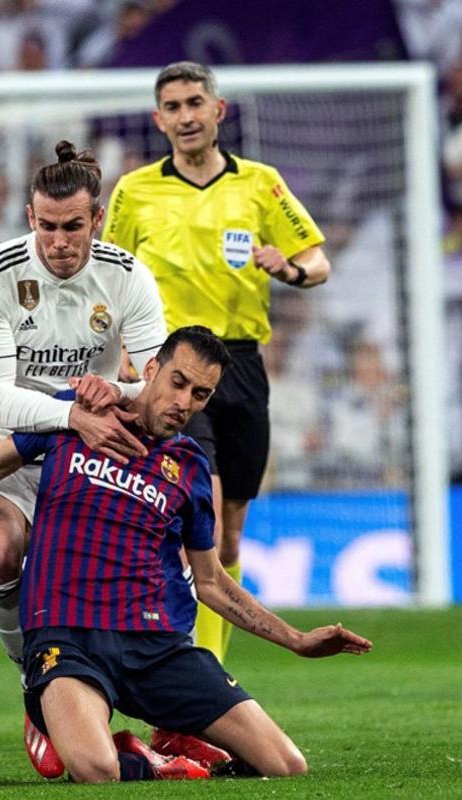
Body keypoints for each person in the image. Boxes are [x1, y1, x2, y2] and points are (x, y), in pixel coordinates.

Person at [0, 326, 372, 783]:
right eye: (178, 382)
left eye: (201, 394)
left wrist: (297, 640)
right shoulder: (75, 416)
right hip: (69, 639)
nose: (185, 402)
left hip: (158, 649)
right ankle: (145, 761)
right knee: (96, 769)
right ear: (151, 370)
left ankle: (172, 755)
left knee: (286, 765)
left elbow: (209, 581)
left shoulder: (190, 466)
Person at [103, 61, 332, 668]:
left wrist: (287, 269)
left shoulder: (260, 184)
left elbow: (316, 262)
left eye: (194, 103)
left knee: (230, 536)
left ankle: (211, 661)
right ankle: (195, 668)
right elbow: (111, 274)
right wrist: (125, 349)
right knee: (200, 505)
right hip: (174, 365)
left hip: (242, 366)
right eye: (172, 107)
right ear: (158, 119)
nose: (184, 116)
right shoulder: (133, 190)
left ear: (218, 111)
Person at [0, 141, 167, 776]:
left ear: (96, 219)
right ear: (29, 217)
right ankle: (37, 687)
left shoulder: (127, 276)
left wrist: (118, 390)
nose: (58, 242)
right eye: (45, 226)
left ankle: (171, 715)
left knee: (161, 564)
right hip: (4, 459)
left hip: (90, 460)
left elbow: (158, 384)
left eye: (73, 226)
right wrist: (76, 406)